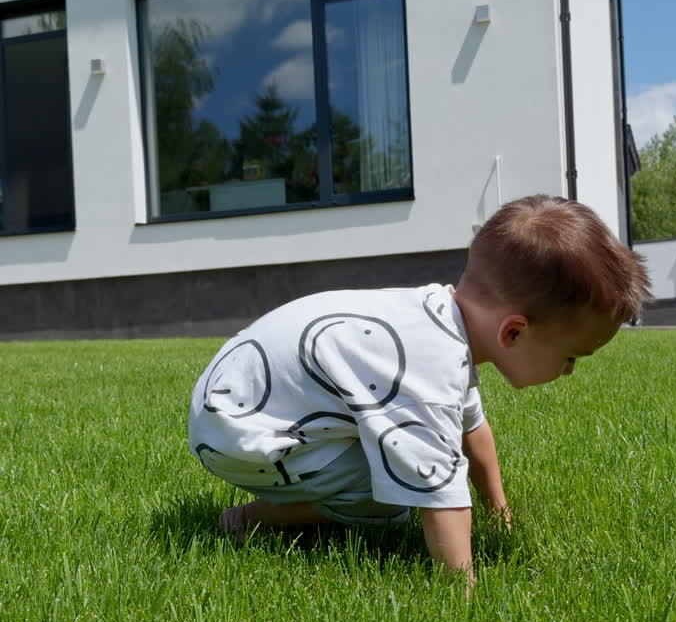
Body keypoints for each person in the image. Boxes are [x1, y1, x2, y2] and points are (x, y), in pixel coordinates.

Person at [188, 195, 649, 592]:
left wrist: (499, 512)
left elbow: (473, 431)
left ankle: (294, 498)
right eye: (570, 357)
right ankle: (249, 521)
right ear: (513, 333)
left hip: (245, 404)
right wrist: (462, 592)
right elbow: (438, 490)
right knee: (394, 498)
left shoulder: (441, 322)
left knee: (398, 473)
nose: (568, 373)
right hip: (241, 430)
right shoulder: (429, 366)